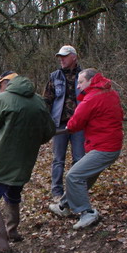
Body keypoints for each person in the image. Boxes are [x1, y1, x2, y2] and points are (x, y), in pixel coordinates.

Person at [0, 71, 56, 253]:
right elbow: (48, 131)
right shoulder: (39, 100)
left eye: (0, 85)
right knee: (12, 191)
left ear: (8, 83)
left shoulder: (2, 99)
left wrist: (2, 140)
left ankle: (1, 243)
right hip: (26, 158)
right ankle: (12, 230)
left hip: (3, 159)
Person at [49, 68, 124, 230]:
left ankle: (87, 212)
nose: (78, 86)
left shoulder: (91, 98)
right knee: (85, 176)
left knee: (74, 176)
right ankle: (64, 206)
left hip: (104, 147)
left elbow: (75, 123)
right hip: (111, 145)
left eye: (81, 82)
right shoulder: (111, 93)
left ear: (91, 80)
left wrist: (69, 125)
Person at [43, 45, 85, 202]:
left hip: (79, 125)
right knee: (58, 159)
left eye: (64, 56)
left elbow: (91, 100)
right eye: (60, 56)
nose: (61, 59)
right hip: (59, 125)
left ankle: (76, 191)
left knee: (79, 159)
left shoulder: (85, 76)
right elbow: (47, 100)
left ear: (74, 57)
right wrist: (45, 122)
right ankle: (57, 192)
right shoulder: (54, 77)